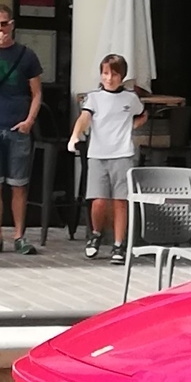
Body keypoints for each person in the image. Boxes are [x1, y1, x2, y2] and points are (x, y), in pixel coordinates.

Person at [68, 54, 159, 262]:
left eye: (114, 74)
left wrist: (131, 127)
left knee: (120, 202)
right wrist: (75, 136)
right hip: (98, 155)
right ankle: (96, 234)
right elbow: (85, 117)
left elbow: (142, 113)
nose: (109, 78)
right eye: (105, 73)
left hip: (123, 155)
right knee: (98, 201)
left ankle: (119, 244)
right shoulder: (94, 98)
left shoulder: (130, 98)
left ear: (122, 76)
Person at [0, 4, 44, 253]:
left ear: (12, 24)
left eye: (4, 23)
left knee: (19, 185)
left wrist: (29, 121)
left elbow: (36, 93)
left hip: (17, 128)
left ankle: (19, 236)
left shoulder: (26, 55)